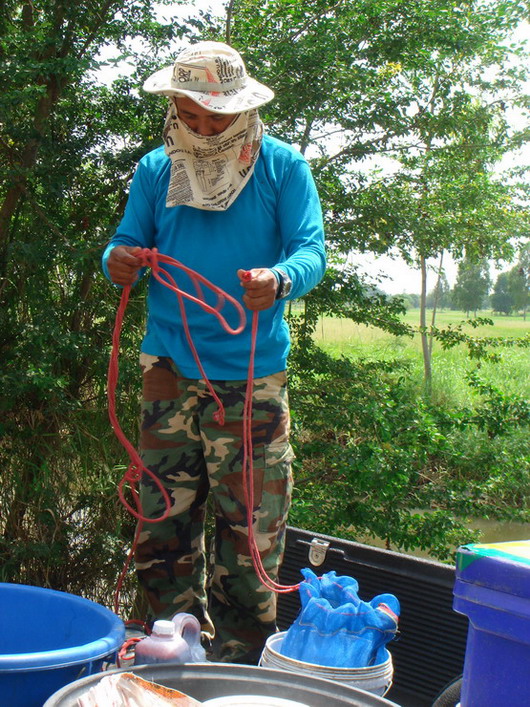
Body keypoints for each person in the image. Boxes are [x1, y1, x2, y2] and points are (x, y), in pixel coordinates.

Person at [102, 40, 326, 664]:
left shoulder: (283, 168)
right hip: (167, 373)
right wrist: (115, 261)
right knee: (161, 524)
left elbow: (311, 251)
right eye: (190, 114)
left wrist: (278, 280)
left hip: (250, 380)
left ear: (243, 109)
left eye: (216, 117)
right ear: (173, 107)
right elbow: (126, 243)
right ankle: (164, 657)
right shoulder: (154, 170)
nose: (201, 128)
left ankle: (237, 667)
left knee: (250, 531)